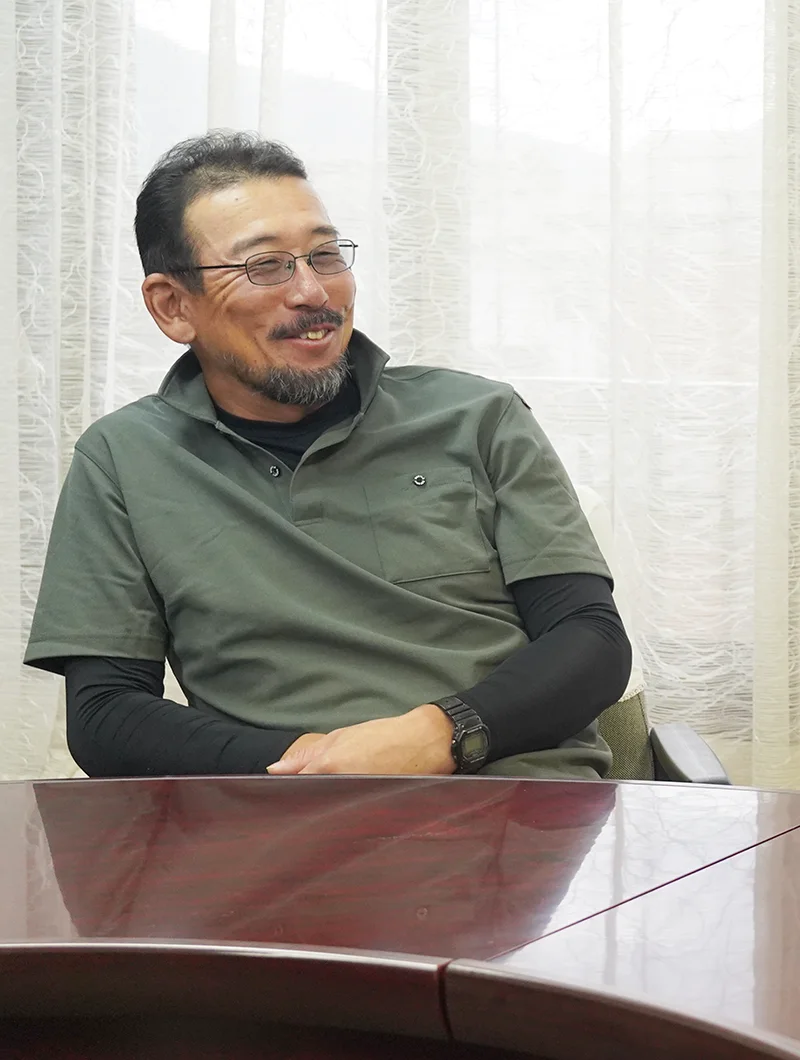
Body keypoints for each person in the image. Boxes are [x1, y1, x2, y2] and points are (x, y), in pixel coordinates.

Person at [24, 131, 632, 780]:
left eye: (325, 255)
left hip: (516, 804)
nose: (313, 292)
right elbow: (107, 715)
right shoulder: (123, 459)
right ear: (173, 307)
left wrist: (441, 735)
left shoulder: (478, 416)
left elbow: (590, 639)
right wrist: (315, 766)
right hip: (279, 818)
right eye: (265, 266)